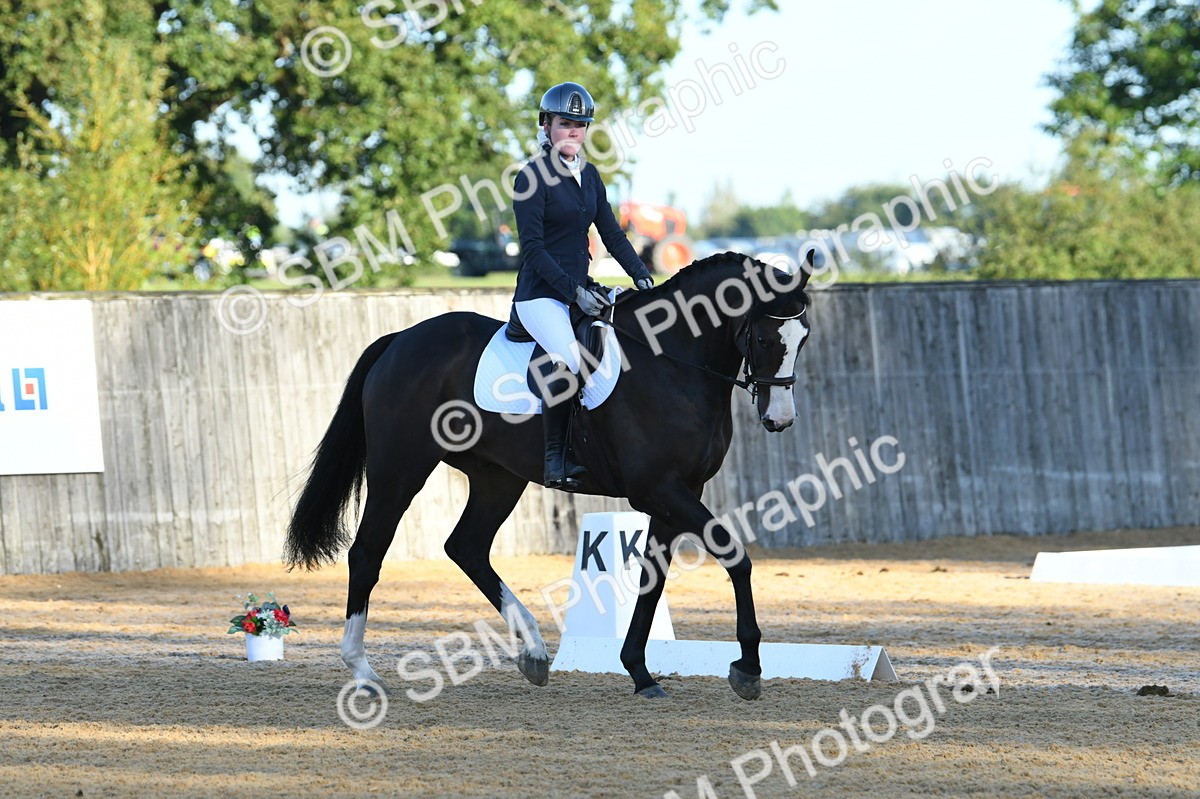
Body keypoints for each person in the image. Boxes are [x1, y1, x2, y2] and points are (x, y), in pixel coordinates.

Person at [511, 81, 655, 491]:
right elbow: (534, 250)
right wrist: (572, 291)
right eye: (564, 124)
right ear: (545, 125)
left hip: (582, 286)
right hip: (540, 295)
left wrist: (641, 274)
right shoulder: (531, 178)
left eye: (580, 125)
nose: (573, 132)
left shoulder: (590, 176)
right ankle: (555, 461)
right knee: (571, 362)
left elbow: (610, 232)